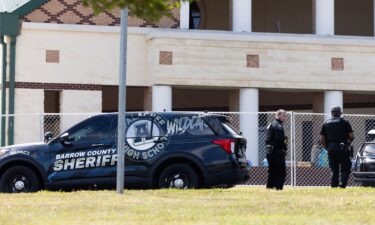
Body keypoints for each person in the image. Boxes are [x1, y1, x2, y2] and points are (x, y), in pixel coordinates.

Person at [320, 106, 354, 188]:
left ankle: (334, 185)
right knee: (346, 167)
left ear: (331, 113)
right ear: (340, 113)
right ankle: (342, 184)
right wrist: (348, 143)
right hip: (342, 147)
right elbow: (352, 136)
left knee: (334, 169)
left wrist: (327, 148)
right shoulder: (345, 122)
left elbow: (322, 139)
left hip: (331, 148)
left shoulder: (326, 123)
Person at [265, 109, 288, 190]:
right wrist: (283, 149)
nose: (285, 117)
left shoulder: (270, 125)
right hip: (276, 152)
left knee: (272, 171)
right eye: (283, 116)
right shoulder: (278, 125)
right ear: (278, 116)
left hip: (269, 151)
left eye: (285, 116)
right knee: (281, 171)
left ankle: (270, 187)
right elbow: (279, 139)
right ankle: (278, 188)